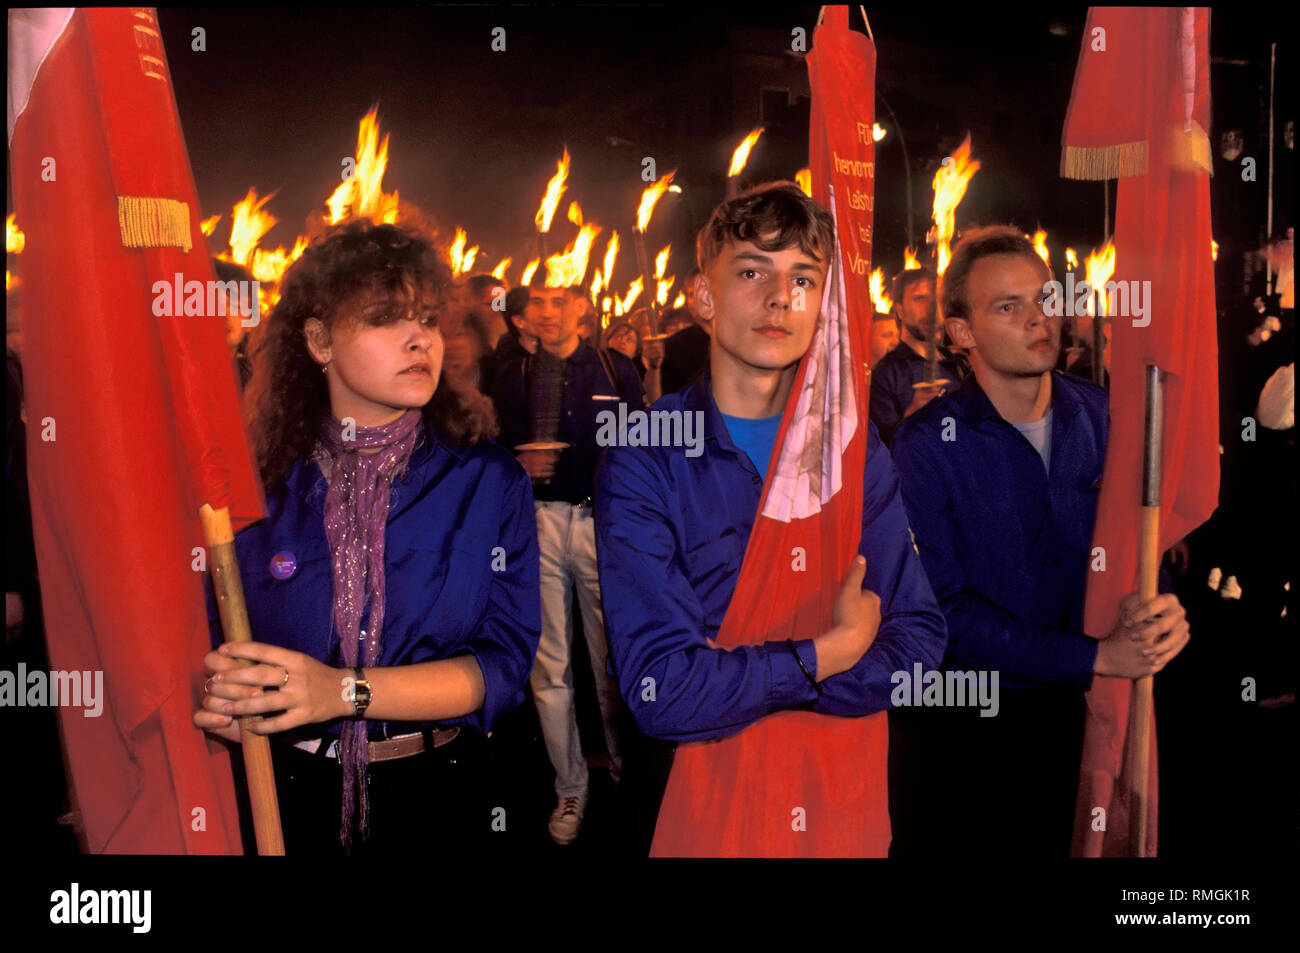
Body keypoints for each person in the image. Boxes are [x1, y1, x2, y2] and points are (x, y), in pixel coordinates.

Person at [595, 183, 947, 855]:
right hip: (706, 808)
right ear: (704, 297)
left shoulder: (851, 448)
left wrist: (748, 682)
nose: (780, 298)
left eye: (804, 279)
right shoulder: (647, 454)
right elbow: (661, 690)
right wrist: (829, 653)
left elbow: (921, 647)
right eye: (753, 271)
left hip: (843, 804)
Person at [192, 221, 542, 855]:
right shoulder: (250, 491)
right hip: (286, 798)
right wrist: (220, 695)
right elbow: (211, 645)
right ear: (319, 340)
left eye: (429, 320)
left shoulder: (488, 480)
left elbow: (505, 665)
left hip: (441, 798)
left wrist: (343, 691)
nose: (420, 340)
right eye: (385, 318)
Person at [890, 225, 1191, 856]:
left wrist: (1161, 607)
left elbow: (1142, 544)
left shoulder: (1104, 415)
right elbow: (941, 613)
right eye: (1009, 306)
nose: (1039, 319)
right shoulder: (925, 446)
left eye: (1046, 299)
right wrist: (1093, 657)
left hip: (1102, 717)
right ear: (962, 333)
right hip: (982, 734)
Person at [491, 280, 644, 845]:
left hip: (603, 523)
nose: (549, 312)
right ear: (525, 315)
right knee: (549, 664)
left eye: (561, 301)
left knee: (613, 657)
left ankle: (630, 771)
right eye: (538, 303)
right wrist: (516, 459)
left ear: (582, 307)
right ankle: (570, 785)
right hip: (540, 522)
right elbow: (496, 446)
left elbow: (647, 444)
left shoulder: (614, 367)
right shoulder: (514, 376)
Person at [868, 266, 964, 446]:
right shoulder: (885, 376)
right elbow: (879, 452)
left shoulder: (961, 366)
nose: (931, 308)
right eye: (920, 298)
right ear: (900, 310)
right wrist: (912, 415)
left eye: (938, 298)